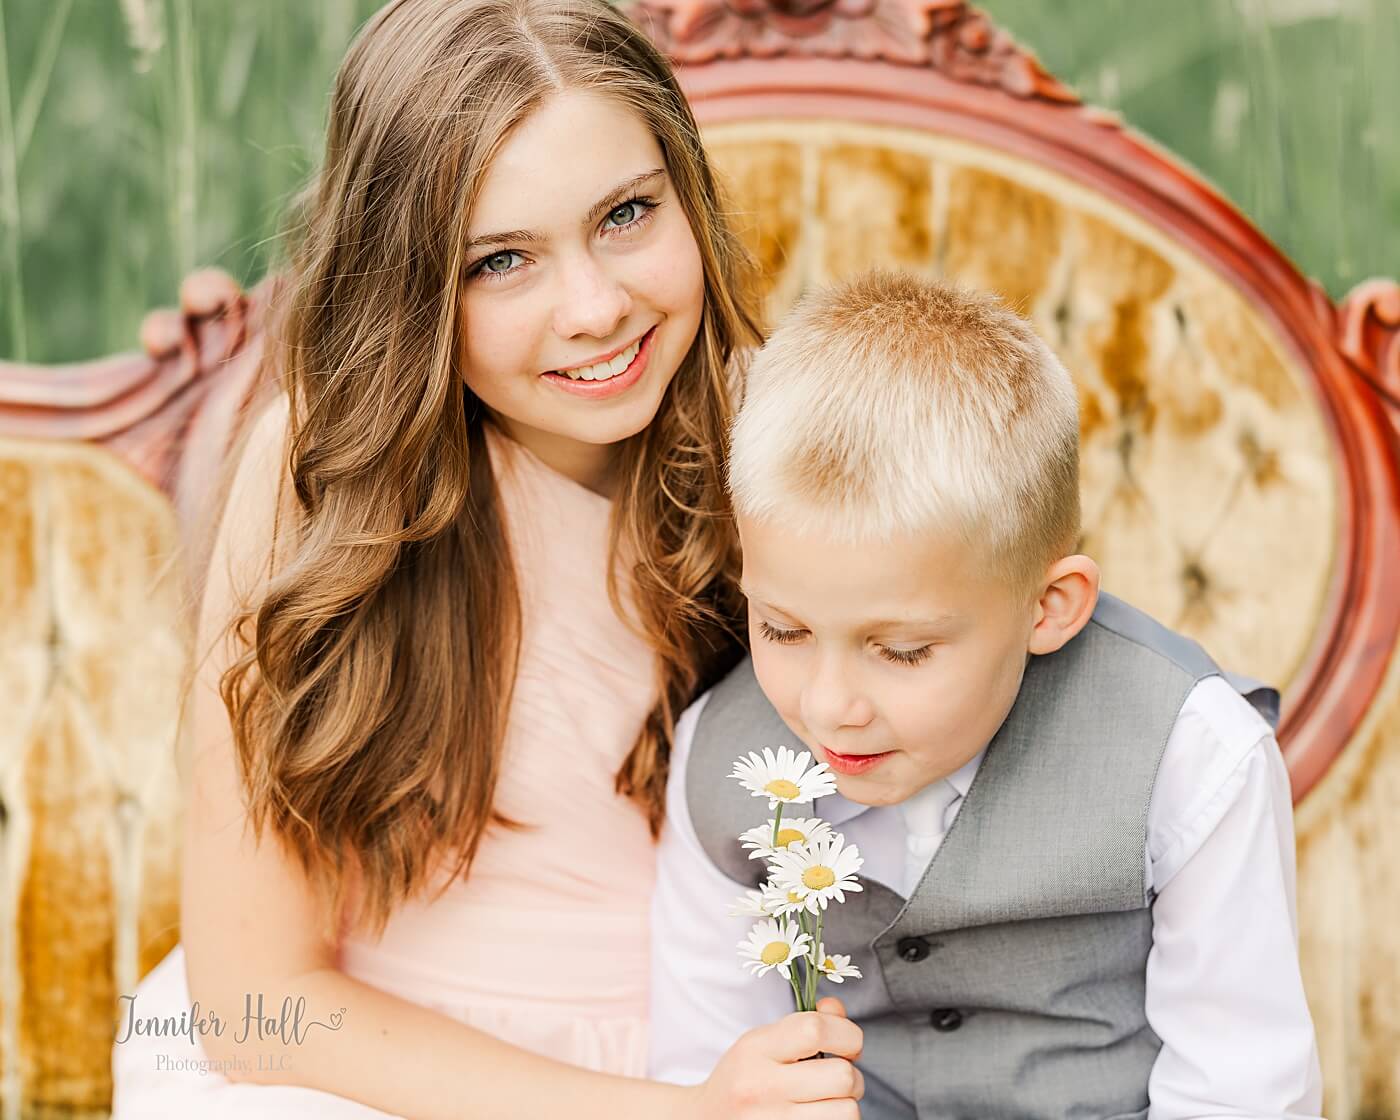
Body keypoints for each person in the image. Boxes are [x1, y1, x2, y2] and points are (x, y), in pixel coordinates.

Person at [110, 1, 866, 1116]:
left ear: (686, 194)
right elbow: (251, 1003)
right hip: (360, 1060)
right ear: (407, 290)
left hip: (701, 1039)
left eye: (624, 213)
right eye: (500, 259)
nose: (595, 307)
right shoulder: (323, 474)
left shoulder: (785, 448)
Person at [647, 270, 1325, 1117]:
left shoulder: (1190, 756)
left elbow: (1242, 1089)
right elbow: (700, 1062)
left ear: (1049, 608)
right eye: (783, 630)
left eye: (900, 651)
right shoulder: (723, 756)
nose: (829, 705)